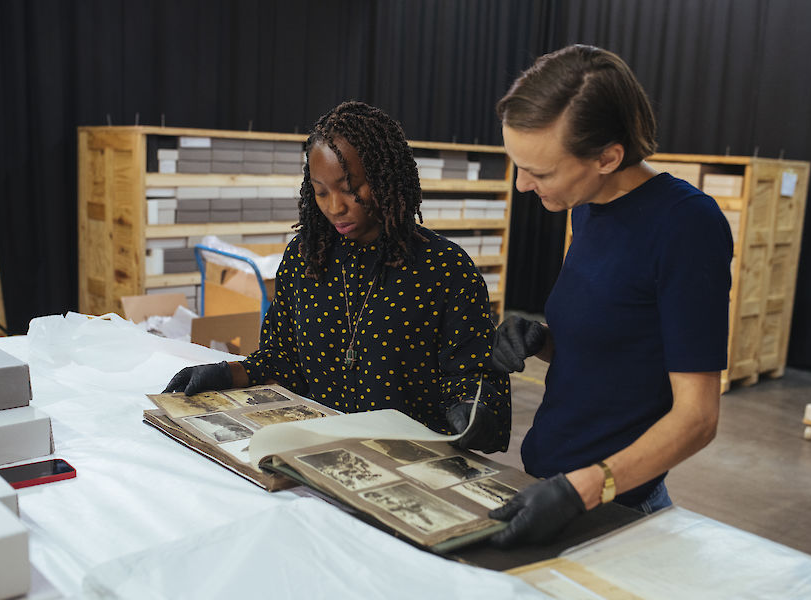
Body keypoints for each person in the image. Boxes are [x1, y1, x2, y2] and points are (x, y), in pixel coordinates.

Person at [487, 45, 733, 546]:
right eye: (518, 164)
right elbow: (620, 346)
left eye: (541, 171)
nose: (522, 185)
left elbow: (698, 417)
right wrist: (541, 340)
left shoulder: (687, 226)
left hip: (614, 507)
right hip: (551, 482)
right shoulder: (587, 206)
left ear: (608, 156)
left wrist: (584, 490)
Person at [164, 101, 511, 453]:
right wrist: (227, 373)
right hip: (318, 452)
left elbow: (473, 377)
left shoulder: (446, 268)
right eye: (321, 191)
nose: (334, 207)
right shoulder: (304, 259)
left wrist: (474, 413)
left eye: (350, 189)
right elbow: (283, 359)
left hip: (406, 457)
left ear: (386, 178)